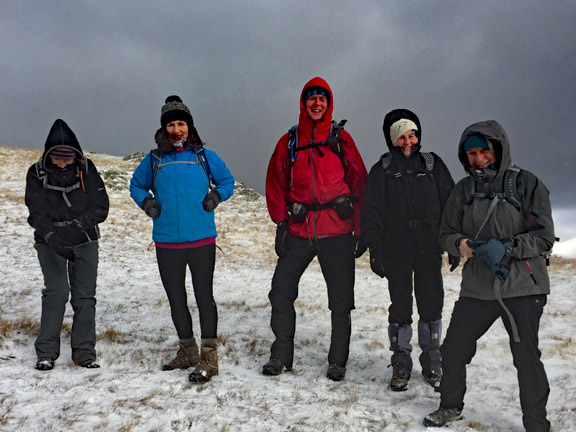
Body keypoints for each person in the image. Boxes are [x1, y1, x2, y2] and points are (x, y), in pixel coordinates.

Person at [424, 120, 555, 430]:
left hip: (523, 286)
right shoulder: (463, 190)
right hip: (478, 288)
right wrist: (460, 244)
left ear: (499, 150)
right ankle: (450, 406)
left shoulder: (527, 184)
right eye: (472, 153)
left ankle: (537, 423)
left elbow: (545, 236)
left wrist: (509, 247)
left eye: (485, 151)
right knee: (453, 349)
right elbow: (444, 232)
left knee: (525, 358)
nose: (478, 159)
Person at [263, 77, 368, 381]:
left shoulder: (340, 138)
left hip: (337, 230)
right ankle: (281, 354)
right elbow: (276, 181)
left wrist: (360, 229)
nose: (317, 103)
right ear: (303, 103)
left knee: (340, 298)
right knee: (280, 291)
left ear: (329, 103)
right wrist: (281, 222)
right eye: (311, 98)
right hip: (299, 229)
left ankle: (337, 361)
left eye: (322, 98)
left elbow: (359, 181)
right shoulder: (290, 141)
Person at [130, 95, 234, 384]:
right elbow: (136, 185)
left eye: (181, 124)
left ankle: (209, 357)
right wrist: (147, 203)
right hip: (167, 242)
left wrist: (216, 196)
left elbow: (227, 182)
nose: (177, 130)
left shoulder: (203, 156)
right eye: (172, 124)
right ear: (164, 129)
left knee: (204, 298)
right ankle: (187, 350)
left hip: (201, 240)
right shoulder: (154, 159)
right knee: (176, 299)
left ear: (189, 127)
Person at [361, 109, 456, 392]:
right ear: (392, 139)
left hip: (428, 248)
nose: (408, 141)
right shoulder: (383, 169)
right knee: (400, 306)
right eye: (401, 136)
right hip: (396, 250)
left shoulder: (432, 164)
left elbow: (449, 202)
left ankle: (432, 359)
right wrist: (375, 248)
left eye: (412, 134)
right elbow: (372, 211)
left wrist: (451, 242)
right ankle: (401, 361)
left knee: (431, 303)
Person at [25, 119, 109, 371]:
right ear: (48, 156)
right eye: (57, 159)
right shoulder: (36, 173)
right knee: (57, 292)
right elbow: (35, 212)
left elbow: (101, 206)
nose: (62, 163)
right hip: (50, 243)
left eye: (68, 158)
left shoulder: (87, 170)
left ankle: (84, 353)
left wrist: (78, 226)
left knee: (84, 296)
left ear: (76, 156)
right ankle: (46, 352)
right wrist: (52, 237)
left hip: (85, 240)